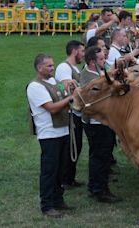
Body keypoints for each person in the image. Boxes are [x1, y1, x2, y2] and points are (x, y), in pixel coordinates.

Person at [27, 53, 76, 218]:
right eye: (49, 66)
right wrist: (71, 98)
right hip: (49, 134)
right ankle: (47, 205)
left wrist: (70, 90)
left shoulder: (55, 82)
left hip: (63, 130)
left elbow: (63, 95)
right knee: (49, 171)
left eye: (52, 65)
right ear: (39, 68)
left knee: (61, 169)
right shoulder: (35, 86)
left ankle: (58, 199)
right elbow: (52, 108)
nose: (52, 68)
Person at [80, 46, 123, 203]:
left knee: (98, 156)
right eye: (101, 59)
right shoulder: (89, 77)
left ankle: (95, 186)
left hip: (100, 122)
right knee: (101, 156)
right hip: (97, 123)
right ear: (92, 61)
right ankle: (100, 190)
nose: (104, 61)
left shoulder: (94, 73)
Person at [54, 40, 85, 190]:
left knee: (76, 145)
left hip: (76, 112)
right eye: (82, 51)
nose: (83, 55)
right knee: (71, 146)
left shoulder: (74, 68)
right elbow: (67, 87)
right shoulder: (63, 67)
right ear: (74, 51)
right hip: (69, 113)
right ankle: (65, 179)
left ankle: (69, 177)